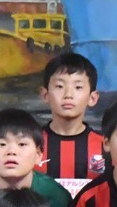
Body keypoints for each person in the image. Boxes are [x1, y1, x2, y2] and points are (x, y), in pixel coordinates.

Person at [36, 52, 107, 192]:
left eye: (78, 87)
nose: (68, 95)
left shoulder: (106, 147)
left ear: (92, 98)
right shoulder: (30, 145)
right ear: (45, 95)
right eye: (59, 86)